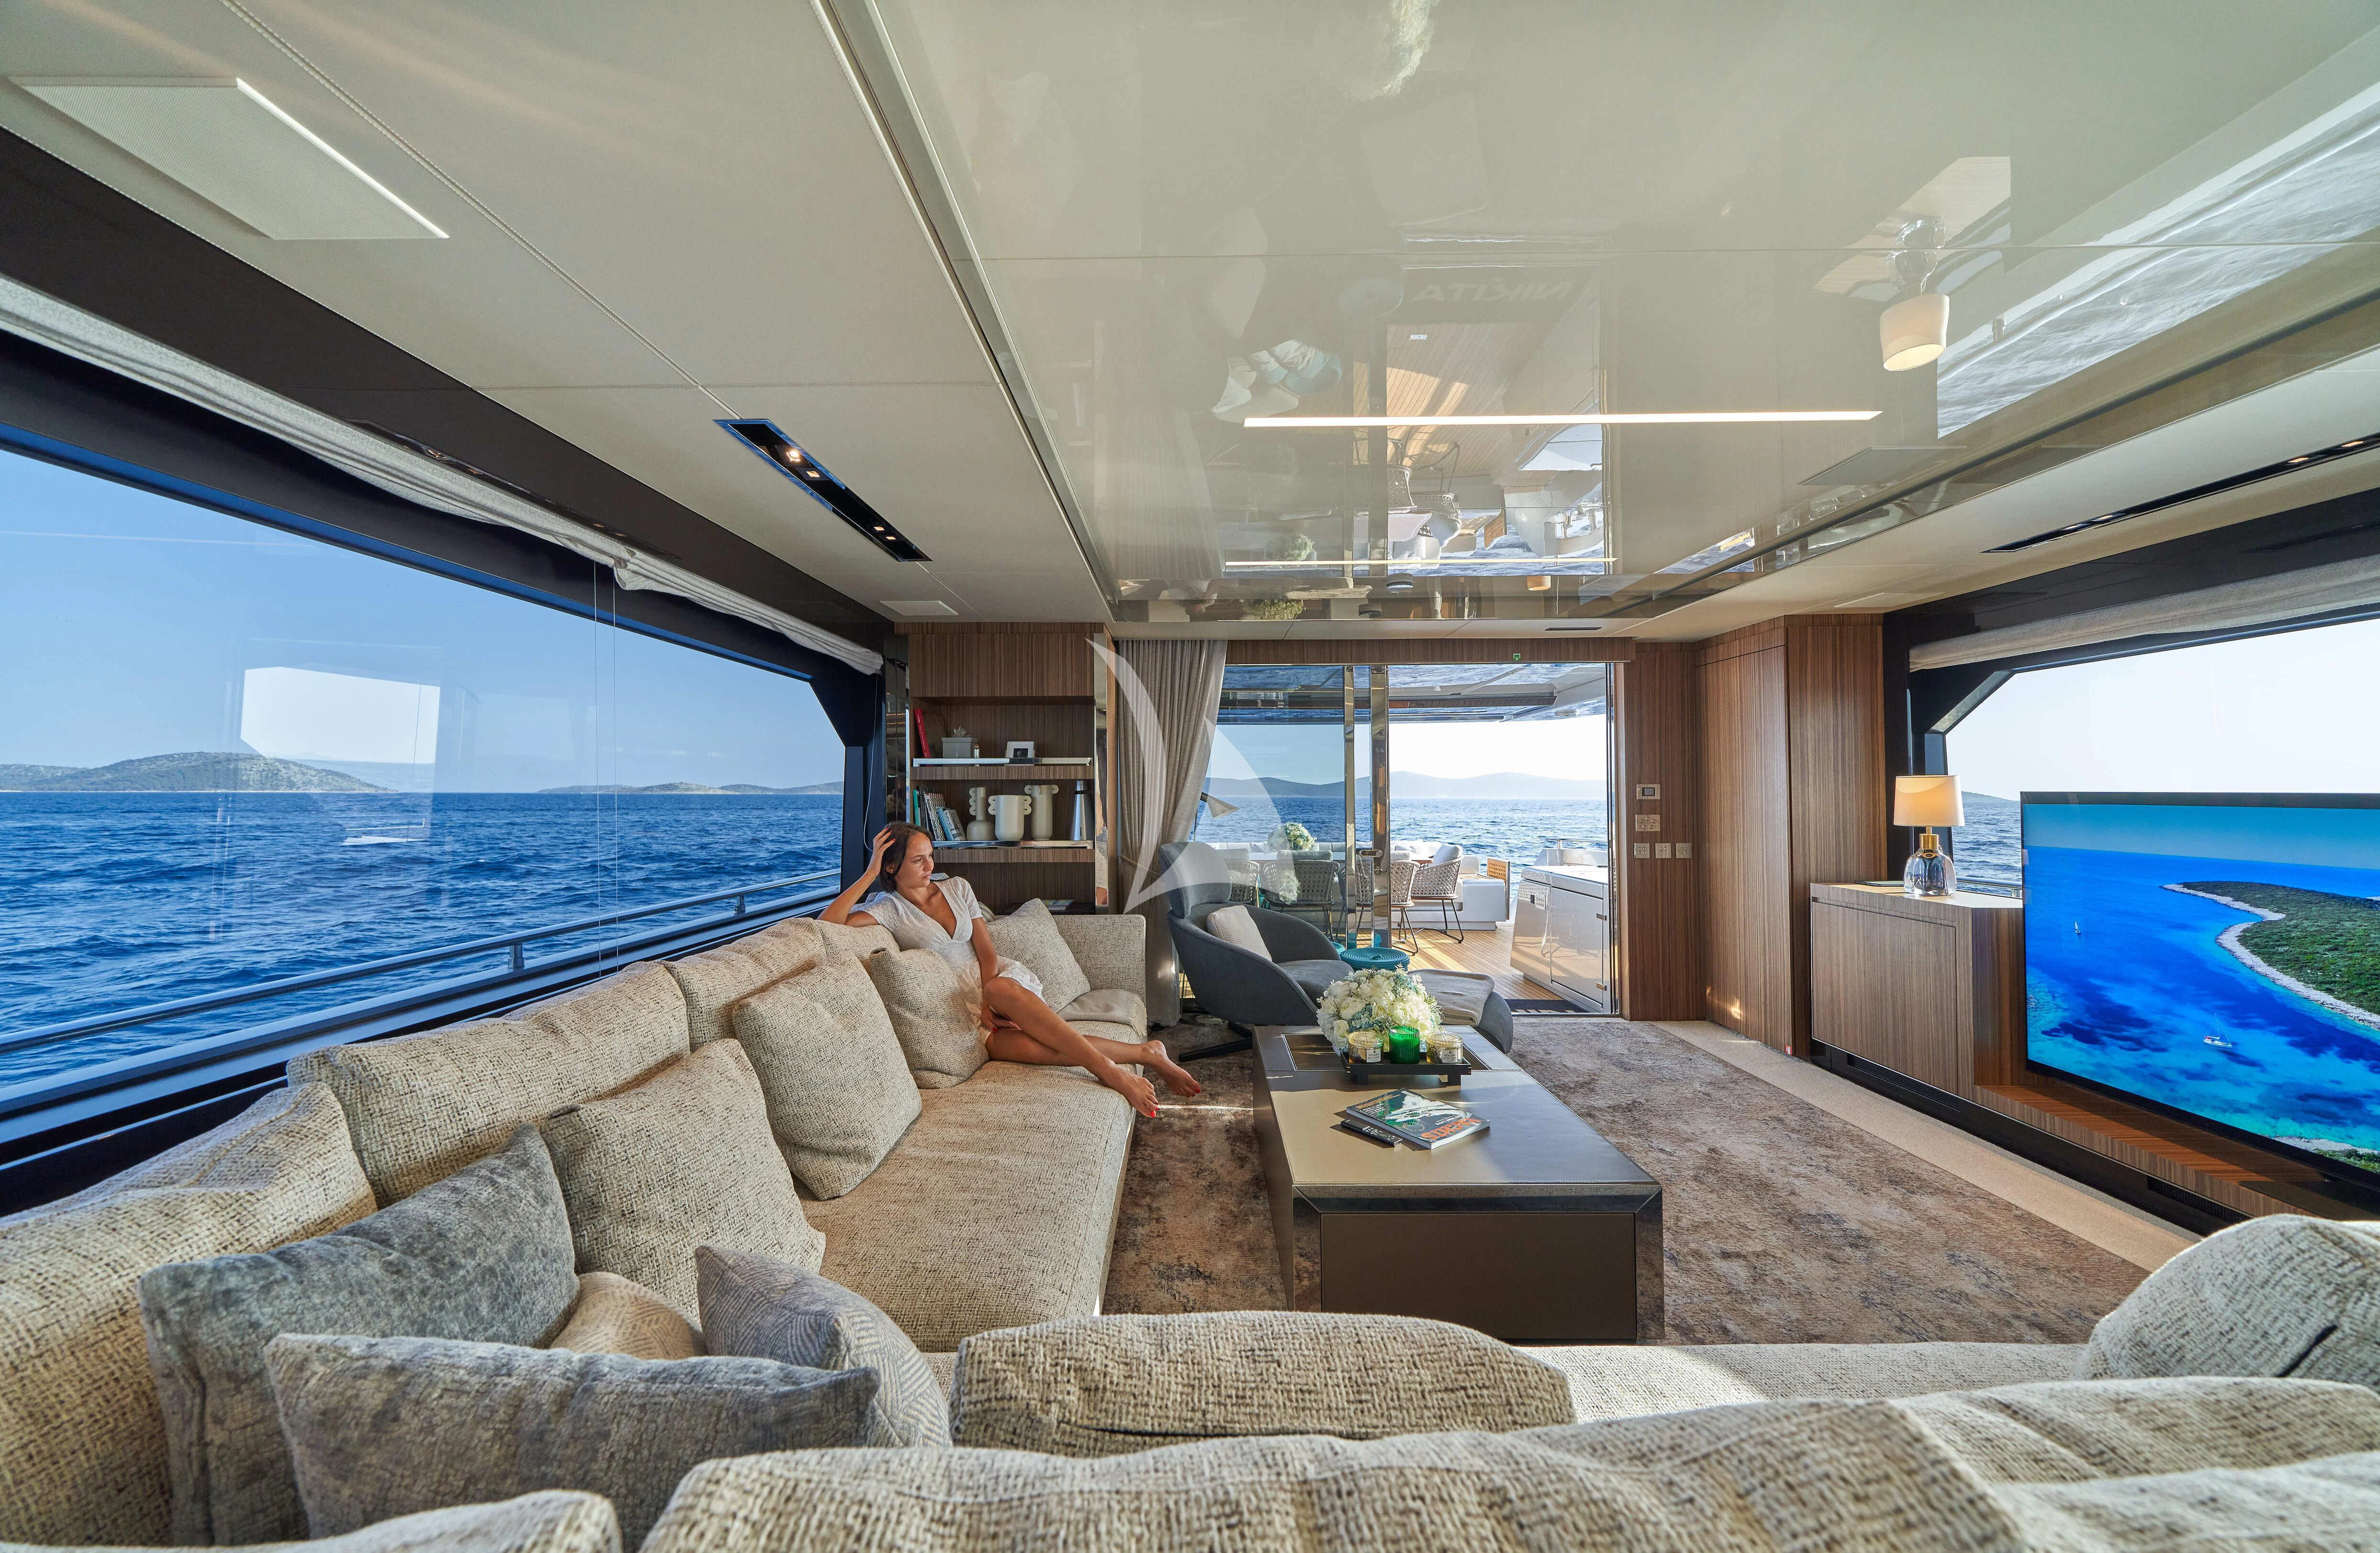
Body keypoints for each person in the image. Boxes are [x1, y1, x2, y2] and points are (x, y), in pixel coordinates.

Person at [822, 823, 1200, 1117]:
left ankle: (1114, 1074)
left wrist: (990, 998)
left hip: (998, 981)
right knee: (1042, 1051)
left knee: (1002, 990)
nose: (931, 866)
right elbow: (828, 924)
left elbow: (986, 950)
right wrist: (870, 872)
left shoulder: (956, 887)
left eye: (931, 856)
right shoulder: (889, 908)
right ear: (892, 865)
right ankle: (1148, 1052)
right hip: (962, 1010)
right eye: (919, 860)